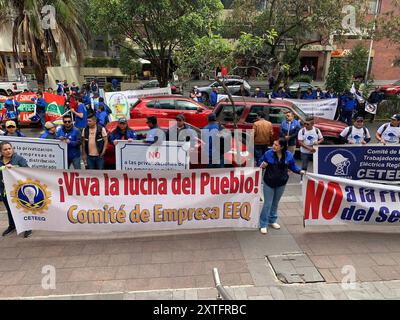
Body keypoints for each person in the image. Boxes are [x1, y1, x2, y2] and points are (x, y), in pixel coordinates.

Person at [258, 139, 305, 234]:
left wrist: (300, 171)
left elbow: (293, 166)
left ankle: (272, 220)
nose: (273, 146)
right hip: (269, 182)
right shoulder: (268, 153)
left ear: (282, 147)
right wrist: (262, 164)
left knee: (275, 202)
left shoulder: (289, 155)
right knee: (267, 203)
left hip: (282, 182)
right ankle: (263, 224)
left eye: (276, 145)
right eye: (273, 144)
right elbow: (260, 161)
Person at [0, 142, 32, 238]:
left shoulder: (18, 159)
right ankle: (12, 225)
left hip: (18, 190)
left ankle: (28, 227)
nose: (8, 151)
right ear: (1, 151)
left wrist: (14, 168)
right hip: (4, 190)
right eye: (5, 149)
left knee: (23, 208)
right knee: (9, 209)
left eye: (9, 148)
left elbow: (27, 170)